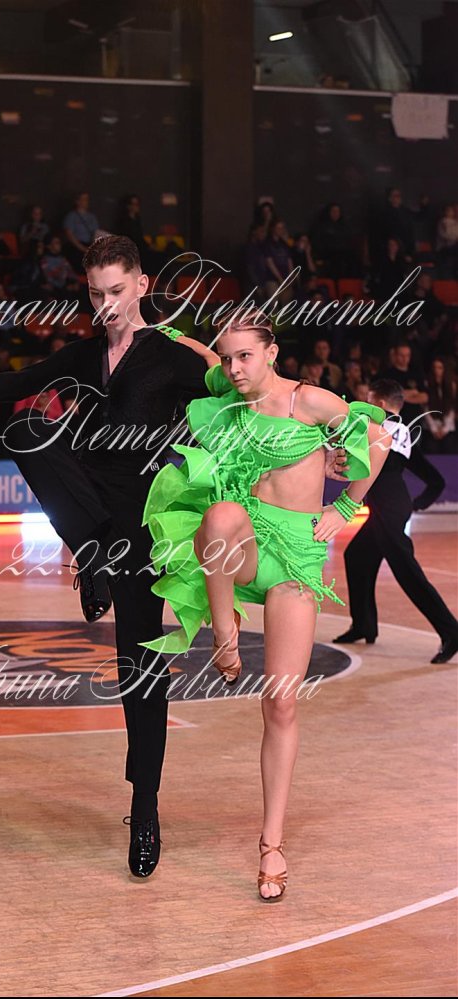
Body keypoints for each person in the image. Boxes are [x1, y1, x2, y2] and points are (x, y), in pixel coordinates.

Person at [0, 234, 217, 879]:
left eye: (117, 291)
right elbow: (17, 381)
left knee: (139, 667)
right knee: (27, 430)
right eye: (96, 293)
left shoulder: (172, 356)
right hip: (91, 509)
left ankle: (145, 805)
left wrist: (221, 359)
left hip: (145, 522)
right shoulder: (81, 355)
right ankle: (89, 552)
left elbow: (238, 384)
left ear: (143, 286)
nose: (106, 304)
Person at [140, 316, 389, 900]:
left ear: (271, 353)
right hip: (246, 541)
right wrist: (159, 331)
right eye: (229, 359)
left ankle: (272, 843)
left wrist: (345, 507)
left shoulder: (308, 401)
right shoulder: (230, 394)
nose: (233, 368)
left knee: (279, 703)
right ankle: (224, 633)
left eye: (245, 357)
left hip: (298, 554)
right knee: (220, 515)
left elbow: (379, 436)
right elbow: (203, 356)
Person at [334, 379, 458, 663]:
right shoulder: (403, 432)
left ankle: (451, 631)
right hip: (392, 507)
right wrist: (415, 505)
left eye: (369, 401)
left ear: (378, 404)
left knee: (408, 574)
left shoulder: (378, 428)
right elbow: (436, 481)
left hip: (387, 510)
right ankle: (364, 625)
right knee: (356, 556)